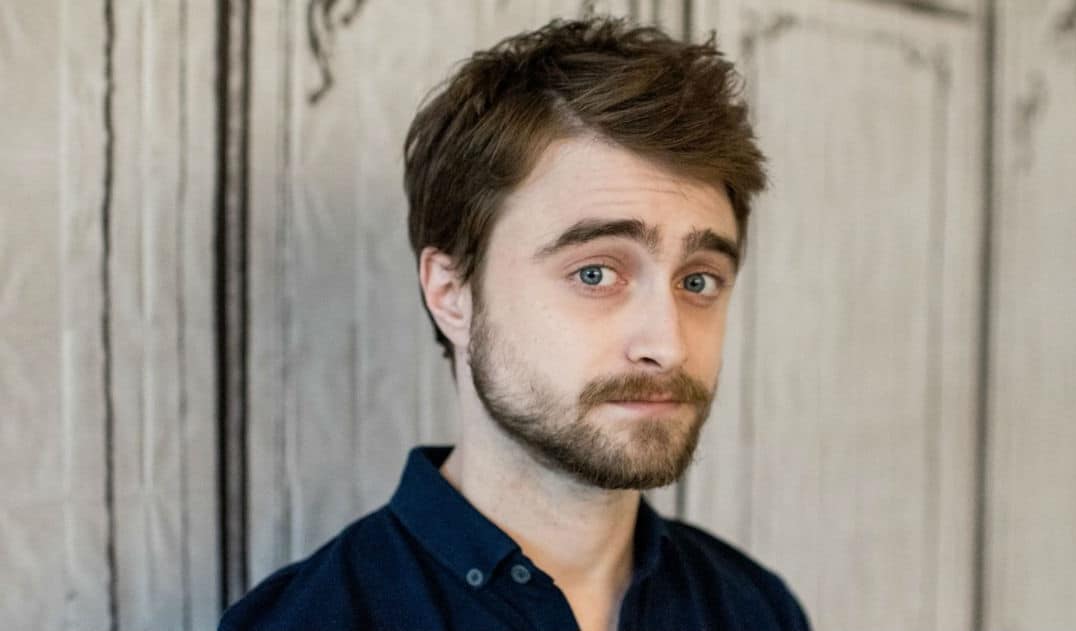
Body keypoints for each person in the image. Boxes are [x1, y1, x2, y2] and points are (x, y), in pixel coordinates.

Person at [220, 16, 810, 631]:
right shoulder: (307, 622)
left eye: (698, 281)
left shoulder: (756, 609)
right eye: (595, 273)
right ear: (452, 293)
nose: (667, 345)